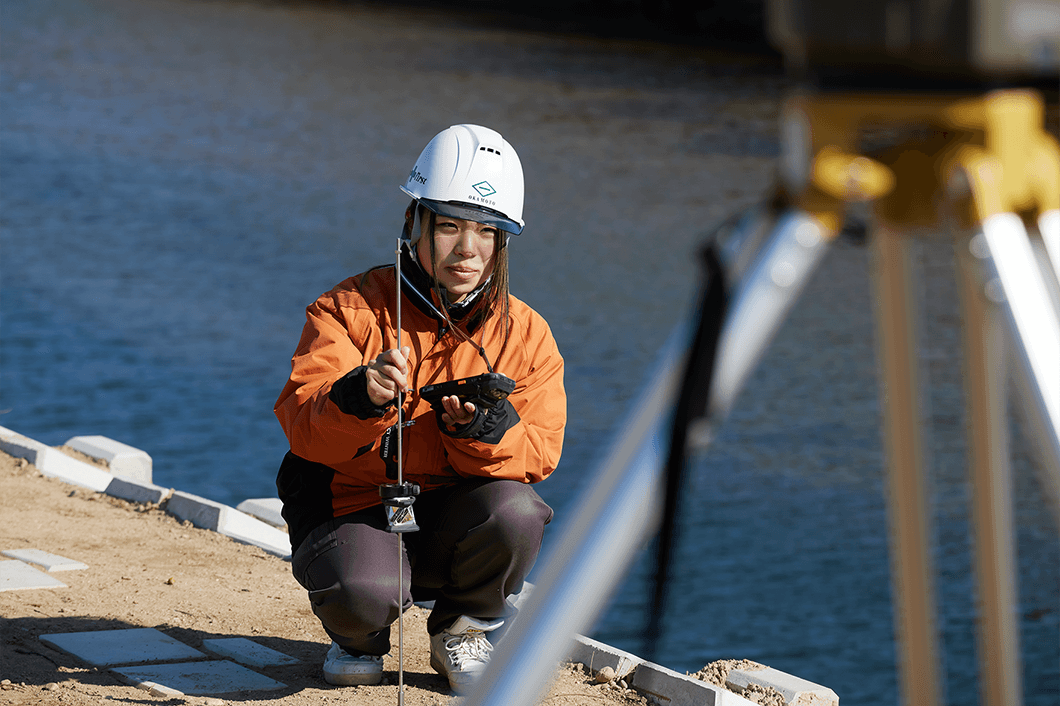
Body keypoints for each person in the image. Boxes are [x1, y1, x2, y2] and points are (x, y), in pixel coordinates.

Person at [273, 124, 566, 693]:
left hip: (452, 514)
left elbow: (540, 454)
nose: (467, 248)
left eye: (486, 230)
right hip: (354, 506)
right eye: (450, 226)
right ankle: (357, 635)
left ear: (503, 240)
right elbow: (303, 428)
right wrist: (358, 397)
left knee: (519, 512)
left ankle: (462, 626)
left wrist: (484, 429)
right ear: (413, 225)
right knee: (362, 594)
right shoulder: (346, 308)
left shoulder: (528, 334)